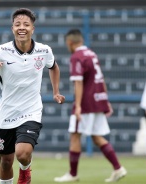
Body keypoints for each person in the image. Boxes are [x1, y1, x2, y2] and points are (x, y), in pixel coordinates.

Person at [0, 8, 65, 184]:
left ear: (33, 29)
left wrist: (56, 92)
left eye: (26, 24)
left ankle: (25, 169)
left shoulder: (44, 51)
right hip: (7, 113)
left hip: (31, 110)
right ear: (12, 28)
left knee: (22, 154)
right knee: (6, 162)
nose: (21, 27)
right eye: (17, 24)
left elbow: (53, 66)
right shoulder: (1, 51)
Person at [54, 29, 127, 183]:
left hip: (86, 102)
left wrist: (78, 106)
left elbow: (78, 82)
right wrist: (106, 101)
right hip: (98, 100)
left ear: (70, 43)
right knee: (96, 136)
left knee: (75, 135)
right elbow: (100, 79)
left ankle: (73, 174)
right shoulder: (92, 54)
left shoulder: (77, 57)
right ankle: (118, 168)